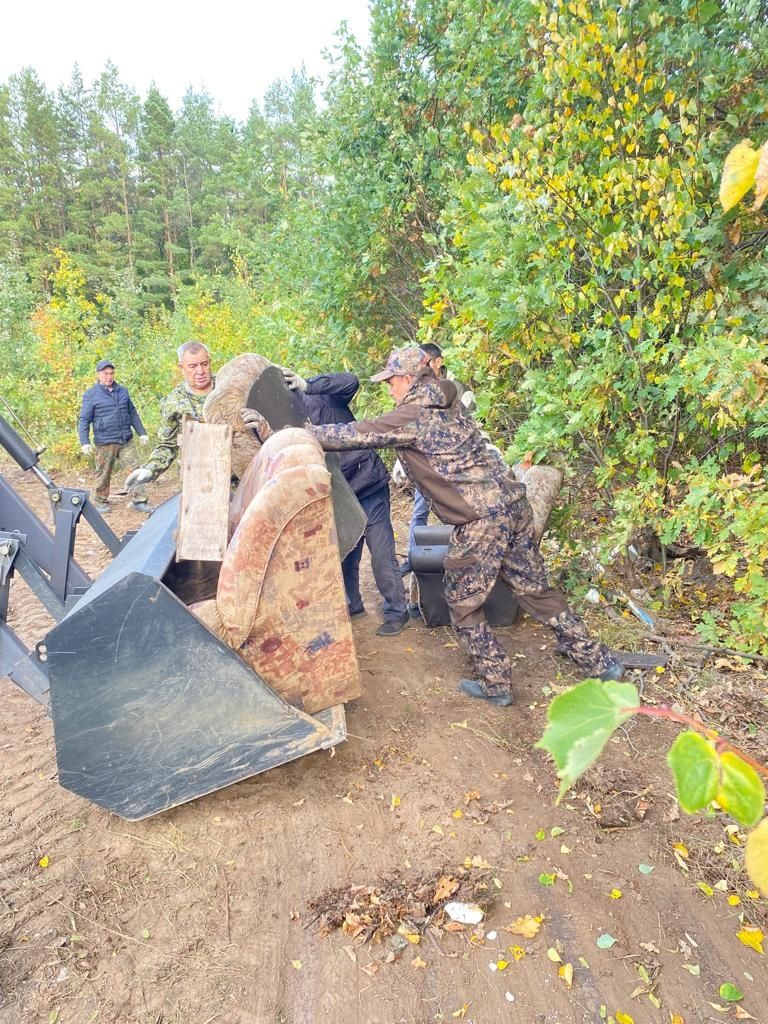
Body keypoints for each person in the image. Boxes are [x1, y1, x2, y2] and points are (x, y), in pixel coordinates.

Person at [242, 346, 622, 707]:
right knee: (536, 590)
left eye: (391, 381)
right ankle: (602, 663)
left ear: (408, 379)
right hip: (512, 506)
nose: (389, 387)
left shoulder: (413, 416)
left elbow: (351, 434)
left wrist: (280, 434)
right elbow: (447, 390)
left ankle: (496, 683)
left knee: (461, 599)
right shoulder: (449, 397)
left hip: (480, 520)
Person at [280, 366, 409, 637]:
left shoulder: (321, 394)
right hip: (337, 492)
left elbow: (349, 380)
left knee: (382, 554)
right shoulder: (286, 424)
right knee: (345, 553)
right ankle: (352, 604)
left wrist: (309, 384)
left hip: (368, 483)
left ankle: (397, 611)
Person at [397, 343, 476, 577]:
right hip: (428, 466)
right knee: (419, 513)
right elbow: (407, 429)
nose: (423, 368)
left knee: (459, 514)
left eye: (426, 362)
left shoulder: (459, 389)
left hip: (456, 467)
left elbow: (469, 428)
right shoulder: (416, 391)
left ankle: (459, 563)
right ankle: (414, 559)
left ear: (438, 362)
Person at [124, 341, 214, 492]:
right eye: (192, 366)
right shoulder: (174, 402)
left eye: (204, 364)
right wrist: (150, 469)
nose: (200, 371)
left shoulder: (228, 388)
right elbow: (167, 445)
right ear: (181, 368)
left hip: (236, 479)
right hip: (196, 482)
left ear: (210, 363)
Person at [77, 359, 151, 514]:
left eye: (111, 373)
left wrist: (142, 433)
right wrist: (84, 442)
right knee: (104, 473)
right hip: (105, 442)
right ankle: (100, 501)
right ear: (98, 375)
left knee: (135, 470)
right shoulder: (91, 395)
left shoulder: (122, 391)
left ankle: (139, 500)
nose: (109, 377)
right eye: (105, 374)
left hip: (125, 440)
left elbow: (132, 413)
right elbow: (84, 419)